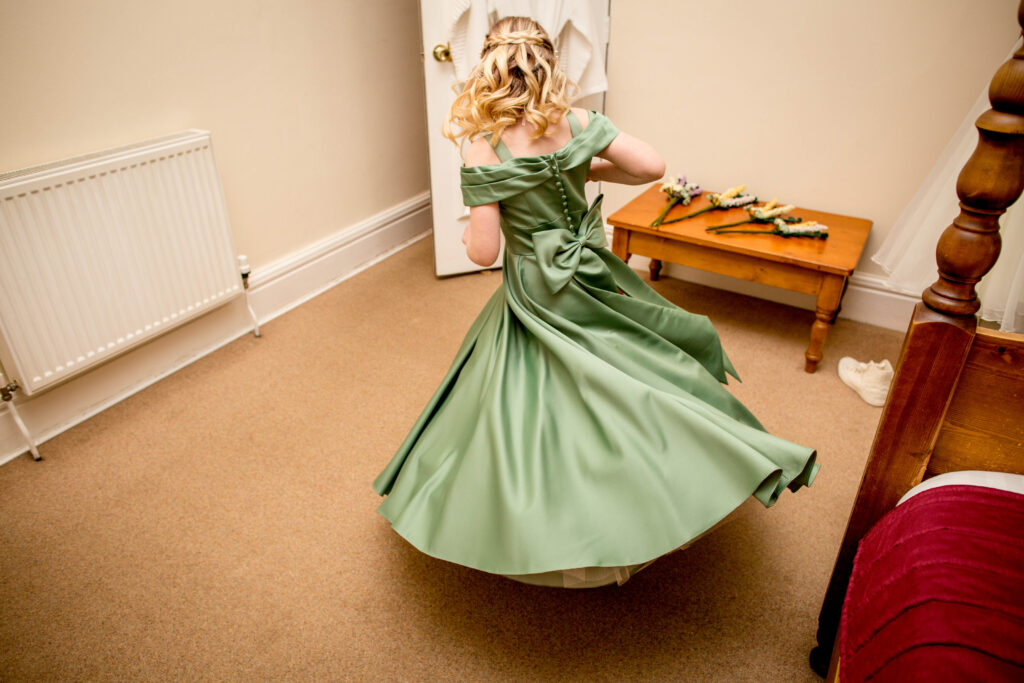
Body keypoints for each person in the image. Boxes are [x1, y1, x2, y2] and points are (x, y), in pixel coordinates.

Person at [373, 16, 818, 588]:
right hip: (594, 267)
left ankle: (562, 515)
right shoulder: (577, 120)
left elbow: (483, 252)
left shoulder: (483, 149)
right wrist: (585, 165)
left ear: (487, 69)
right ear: (548, 65)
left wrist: (472, 224)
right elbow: (651, 168)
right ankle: (667, 464)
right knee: (628, 360)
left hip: (539, 287)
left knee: (541, 387)